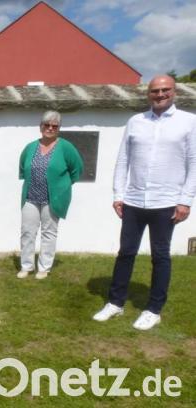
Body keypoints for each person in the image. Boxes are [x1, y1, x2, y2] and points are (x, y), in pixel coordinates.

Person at [93, 75, 196, 330]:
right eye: (155, 91)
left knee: (160, 256)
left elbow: (194, 164)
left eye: (165, 90)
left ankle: (153, 309)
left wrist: (185, 200)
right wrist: (119, 195)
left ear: (174, 92)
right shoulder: (135, 122)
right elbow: (123, 160)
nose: (160, 94)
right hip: (135, 200)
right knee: (126, 252)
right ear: (148, 94)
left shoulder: (189, 122)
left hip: (167, 202)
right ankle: (115, 302)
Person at [17, 110, 83, 280]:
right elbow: (23, 167)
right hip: (31, 196)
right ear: (41, 127)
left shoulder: (66, 147)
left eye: (54, 126)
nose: (50, 128)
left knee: (49, 232)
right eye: (47, 125)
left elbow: (77, 169)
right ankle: (26, 266)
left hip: (52, 198)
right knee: (27, 232)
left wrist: (64, 186)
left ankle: (44, 267)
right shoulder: (31, 147)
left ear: (58, 128)